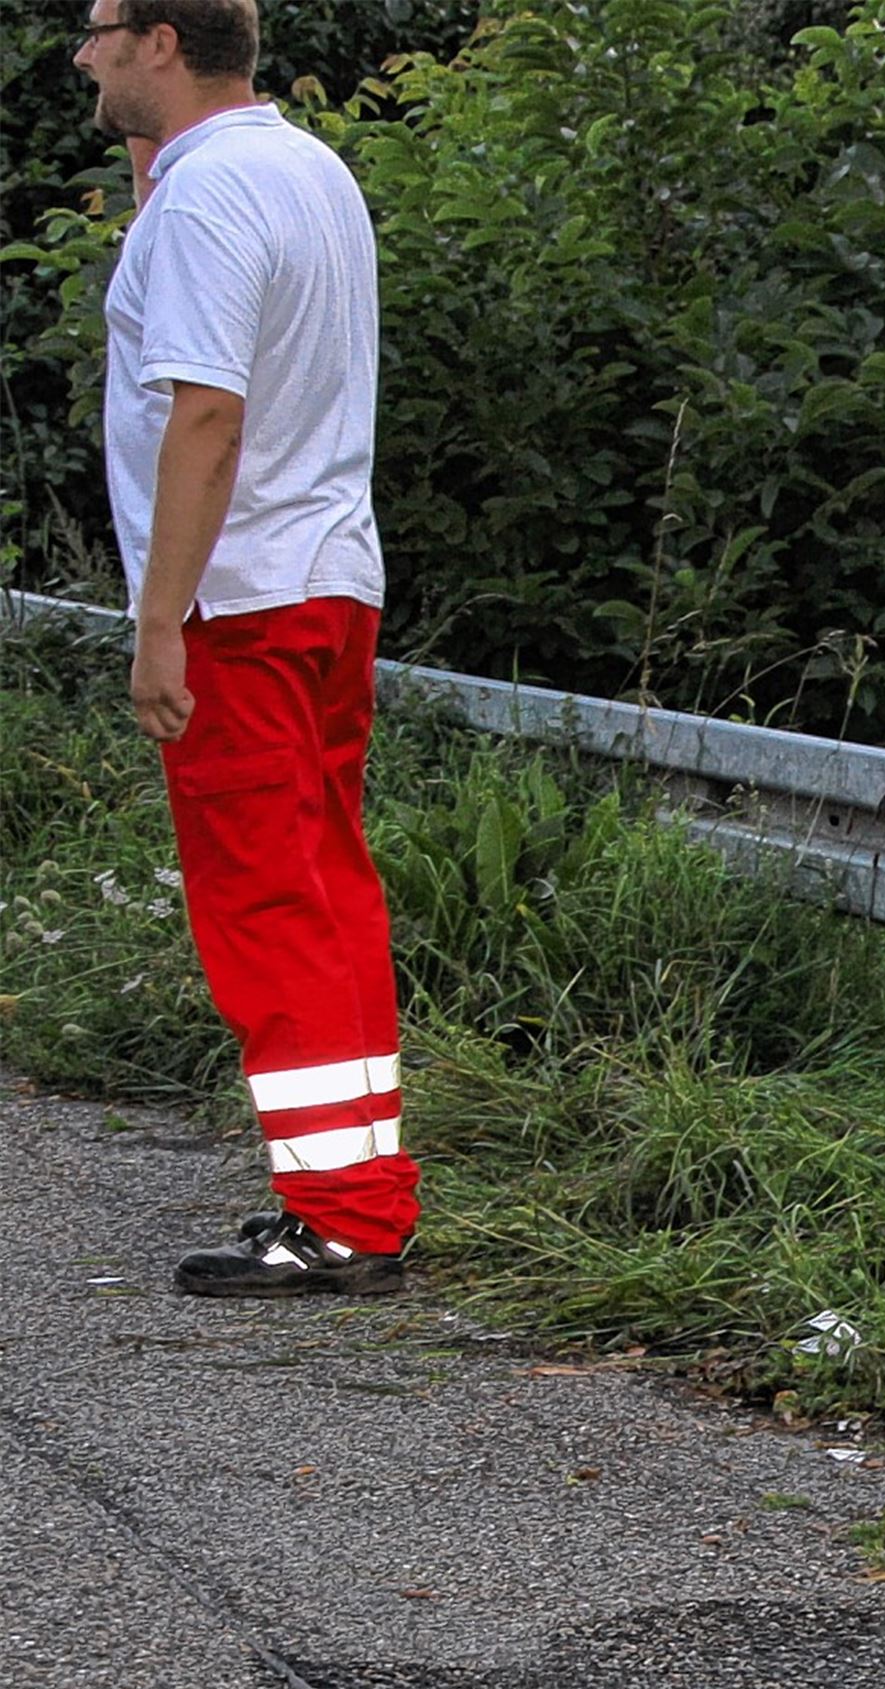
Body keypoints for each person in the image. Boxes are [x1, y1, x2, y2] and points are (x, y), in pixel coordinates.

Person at [74, 0, 421, 1296]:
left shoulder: (207, 201)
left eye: (103, 29)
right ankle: (364, 1196)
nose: (83, 53)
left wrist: (159, 621)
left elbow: (207, 414)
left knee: (266, 904)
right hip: (328, 583)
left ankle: (338, 1221)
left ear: (163, 39)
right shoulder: (301, 168)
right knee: (326, 889)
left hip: (240, 603)